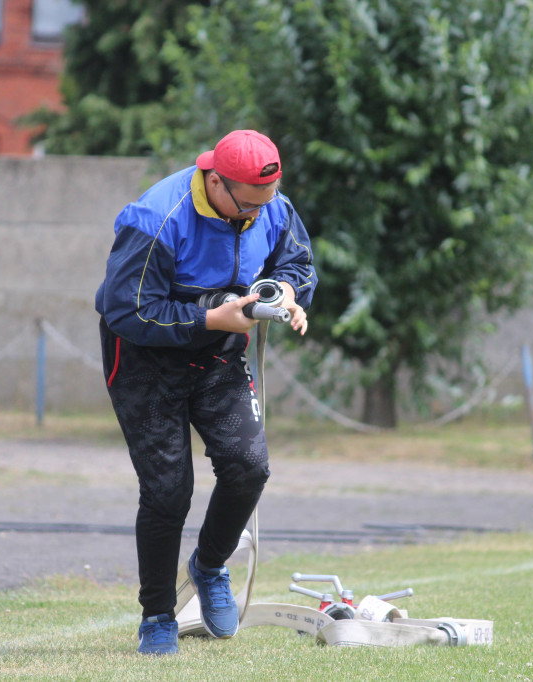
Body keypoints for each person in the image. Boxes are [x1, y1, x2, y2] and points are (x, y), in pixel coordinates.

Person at [96, 130, 317, 655]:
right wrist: (209, 317)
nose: (255, 217)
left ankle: (210, 565)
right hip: (144, 359)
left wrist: (283, 293)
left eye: (264, 207)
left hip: (217, 351)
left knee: (249, 467)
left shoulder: (269, 205)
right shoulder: (155, 219)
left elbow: (298, 263)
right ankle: (157, 616)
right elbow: (128, 309)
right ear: (215, 181)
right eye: (247, 208)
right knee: (169, 490)